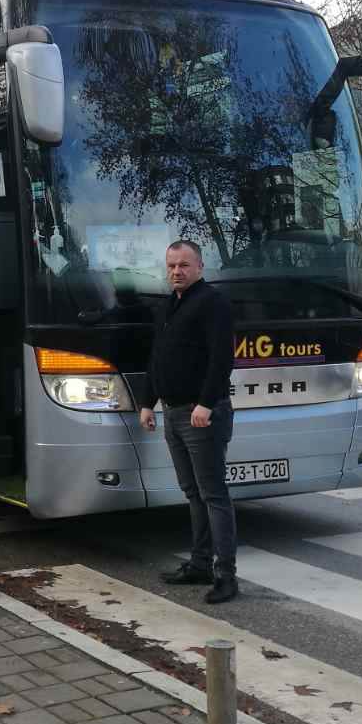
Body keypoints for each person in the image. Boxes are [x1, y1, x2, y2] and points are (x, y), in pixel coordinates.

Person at [135, 239, 238, 604]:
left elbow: (221, 359)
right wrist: (147, 403)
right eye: (172, 266)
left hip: (201, 415)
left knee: (213, 495)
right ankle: (199, 564)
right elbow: (157, 359)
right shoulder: (169, 307)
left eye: (184, 265)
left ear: (199, 267)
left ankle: (226, 576)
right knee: (193, 493)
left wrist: (206, 404)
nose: (177, 272)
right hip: (173, 412)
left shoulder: (212, 304)